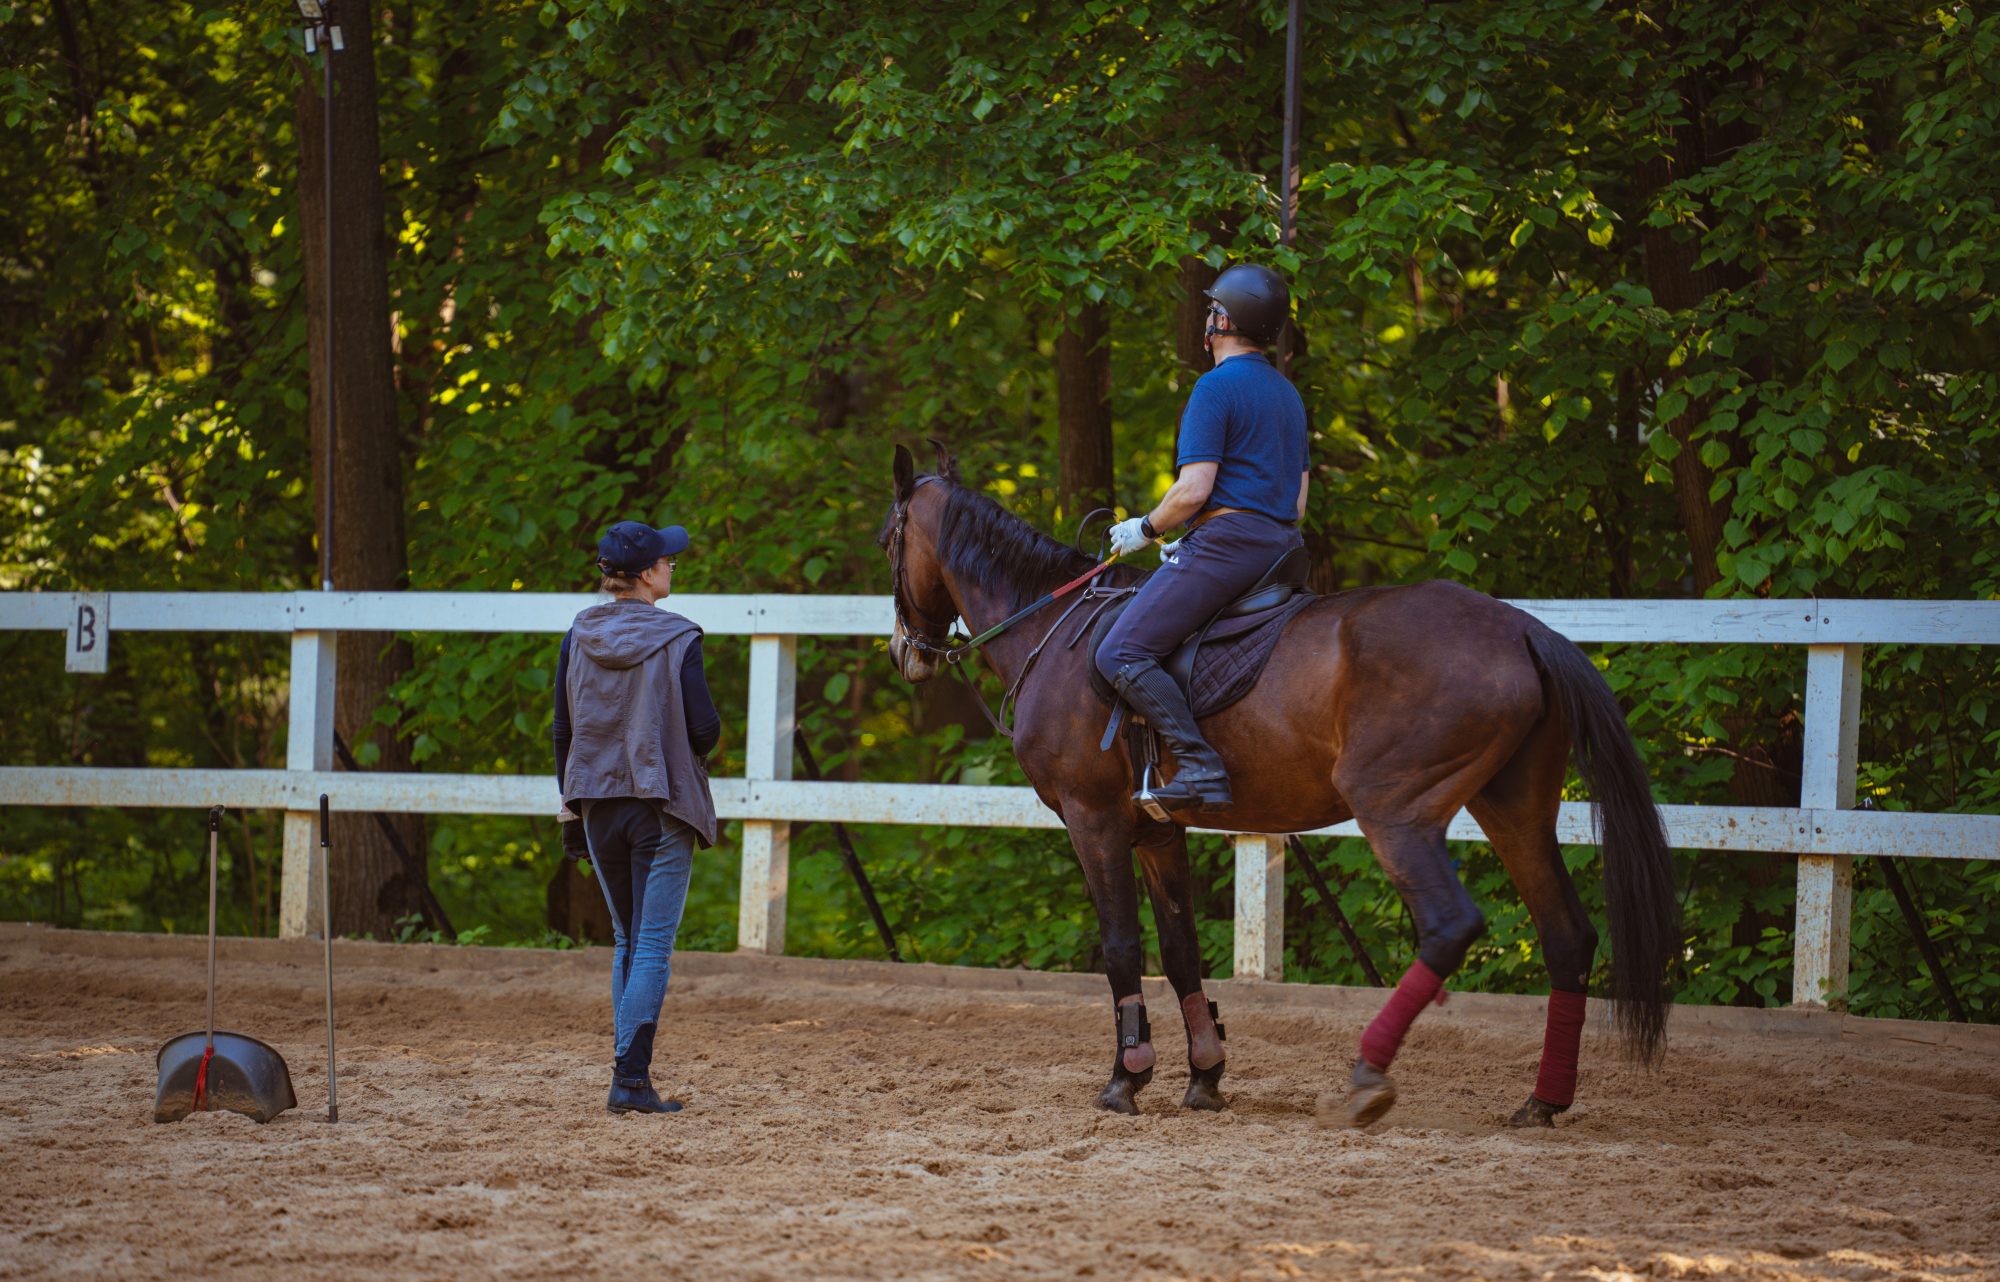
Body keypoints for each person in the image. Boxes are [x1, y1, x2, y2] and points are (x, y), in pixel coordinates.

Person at [1094, 263, 1308, 810]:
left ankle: (1200, 766)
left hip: (1229, 548)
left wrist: (1145, 528)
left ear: (1222, 321)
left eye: (1212, 310)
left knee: (1120, 651)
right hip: (1281, 550)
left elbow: (1193, 490)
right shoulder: (1287, 395)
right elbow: (1298, 502)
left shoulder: (1214, 388)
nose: (1206, 319)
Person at [553, 519, 721, 1115]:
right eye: (669, 561)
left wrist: (572, 807)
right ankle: (629, 1081)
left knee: (626, 940)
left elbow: (563, 728)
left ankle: (627, 1073)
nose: (674, 567)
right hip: (658, 805)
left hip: (596, 805)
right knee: (651, 945)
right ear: (648, 574)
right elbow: (704, 730)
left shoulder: (578, 633)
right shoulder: (680, 638)